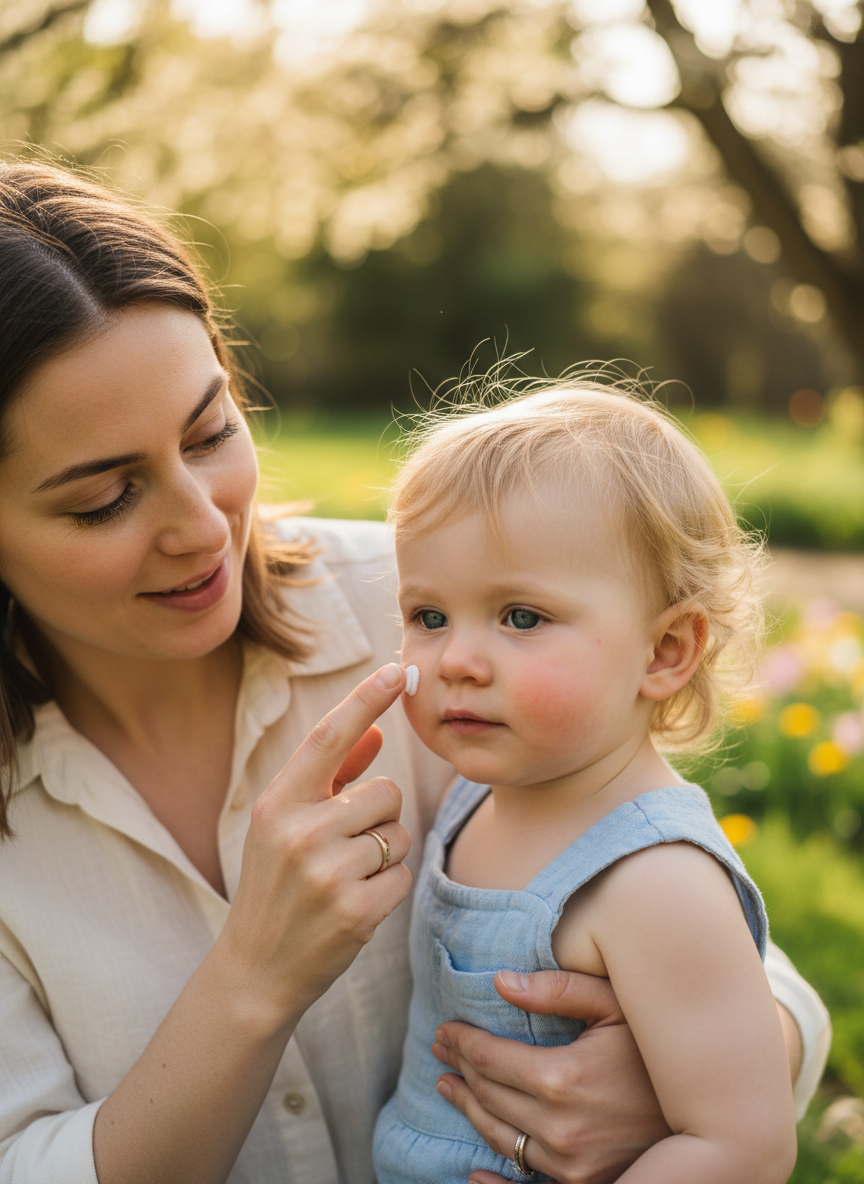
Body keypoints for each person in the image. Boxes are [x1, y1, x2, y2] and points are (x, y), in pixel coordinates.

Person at [0, 159, 828, 1184]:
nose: (202, 523)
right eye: (104, 499)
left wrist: (666, 1088)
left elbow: (728, 953)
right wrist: (253, 978)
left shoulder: (441, 606)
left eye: (211, 433)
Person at [374, 384, 816, 1184]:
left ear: (666, 651)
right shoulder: (477, 794)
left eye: (521, 617)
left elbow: (744, 1147)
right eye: (428, 617)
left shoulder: (655, 881)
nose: (456, 660)